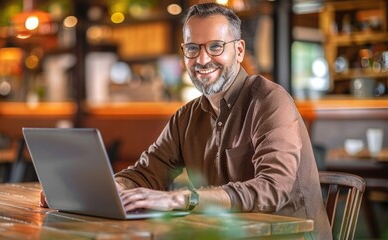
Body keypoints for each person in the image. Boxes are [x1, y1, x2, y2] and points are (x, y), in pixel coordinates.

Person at [40, 3, 331, 239]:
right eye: (193, 48)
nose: (203, 59)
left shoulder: (270, 100)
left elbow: (273, 188)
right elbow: (147, 173)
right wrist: (103, 190)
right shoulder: (187, 116)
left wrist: (183, 199)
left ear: (239, 50)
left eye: (216, 46)